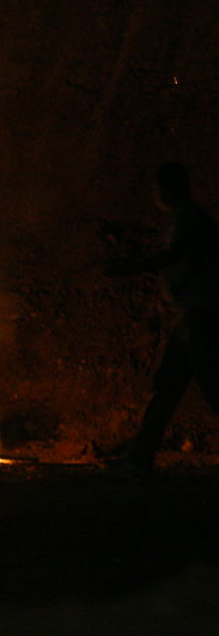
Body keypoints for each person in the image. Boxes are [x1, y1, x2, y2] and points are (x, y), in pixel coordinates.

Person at [108, 161, 219, 475]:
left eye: (158, 188)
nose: (155, 194)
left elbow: (176, 255)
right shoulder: (186, 218)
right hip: (190, 317)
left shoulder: (189, 218)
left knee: (212, 387)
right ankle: (140, 457)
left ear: (170, 187)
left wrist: (130, 268)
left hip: (202, 316)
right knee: (167, 385)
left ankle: (140, 456)